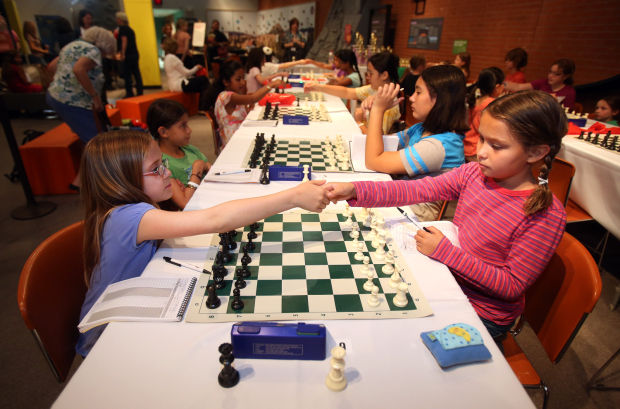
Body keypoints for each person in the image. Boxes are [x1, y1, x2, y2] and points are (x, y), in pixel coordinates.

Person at [324, 90, 567, 343]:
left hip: (482, 314)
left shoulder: (544, 214)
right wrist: (356, 189)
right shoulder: (474, 173)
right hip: (446, 277)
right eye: (482, 139)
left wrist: (445, 251)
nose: (481, 152)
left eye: (496, 146)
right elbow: (414, 189)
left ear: (536, 153)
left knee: (389, 338)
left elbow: (511, 285)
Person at [76, 129, 330, 356]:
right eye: (155, 168)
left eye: (162, 163)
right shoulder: (128, 217)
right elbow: (216, 219)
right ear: (121, 179)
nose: (166, 172)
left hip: (132, 307)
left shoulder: (126, 210)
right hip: (106, 337)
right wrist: (294, 196)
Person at [361, 65, 468, 221]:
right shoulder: (421, 128)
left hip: (414, 217)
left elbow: (373, 160)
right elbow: (382, 146)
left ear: (439, 99)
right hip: (401, 201)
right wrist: (377, 109)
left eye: (418, 92)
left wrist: (377, 110)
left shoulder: (441, 146)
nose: (411, 97)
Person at [46, 26, 116, 188]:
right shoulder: (93, 51)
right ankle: (94, 181)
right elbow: (79, 69)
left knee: (90, 139)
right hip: (75, 102)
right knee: (96, 141)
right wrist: (94, 95)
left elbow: (51, 67)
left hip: (55, 97)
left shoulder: (71, 46)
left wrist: (61, 85)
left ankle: (81, 179)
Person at [305, 51, 401, 134]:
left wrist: (359, 122)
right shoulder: (373, 89)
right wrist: (317, 87)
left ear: (384, 75)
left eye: (370, 73)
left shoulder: (389, 102)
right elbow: (347, 92)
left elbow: (379, 139)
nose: (367, 77)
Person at [146, 99, 211, 209]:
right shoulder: (162, 165)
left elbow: (213, 171)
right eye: (183, 126)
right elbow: (185, 204)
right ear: (163, 132)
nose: (189, 130)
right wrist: (196, 173)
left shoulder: (190, 150)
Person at [211, 60, 282, 147]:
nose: (242, 82)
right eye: (238, 79)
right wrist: (271, 85)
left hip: (241, 135)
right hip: (232, 143)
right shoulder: (226, 96)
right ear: (226, 82)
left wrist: (246, 106)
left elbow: (245, 107)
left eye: (243, 78)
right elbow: (252, 99)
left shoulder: (236, 95)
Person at [464, 67, 505, 162]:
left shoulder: (475, 99)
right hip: (476, 151)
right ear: (498, 87)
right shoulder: (492, 104)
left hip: (466, 147)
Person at [504, 58, 576, 110]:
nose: (551, 76)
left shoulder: (569, 92)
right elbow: (518, 87)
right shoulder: (543, 82)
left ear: (566, 76)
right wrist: (499, 82)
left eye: (557, 74)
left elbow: (567, 113)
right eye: (550, 72)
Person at [162, 38, 209, 110]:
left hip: (172, 85)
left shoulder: (166, 58)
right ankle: (203, 107)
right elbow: (187, 73)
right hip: (179, 84)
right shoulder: (173, 58)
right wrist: (197, 67)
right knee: (204, 79)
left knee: (198, 81)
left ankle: (200, 106)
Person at [116, 12, 143, 98]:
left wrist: (123, 53)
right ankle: (140, 91)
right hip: (134, 53)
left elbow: (124, 41)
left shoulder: (123, 29)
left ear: (119, 19)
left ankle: (129, 93)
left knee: (127, 74)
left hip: (128, 55)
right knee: (136, 73)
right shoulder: (130, 29)